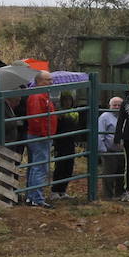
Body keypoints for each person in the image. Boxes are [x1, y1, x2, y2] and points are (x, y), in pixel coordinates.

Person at [23, 70, 57, 208]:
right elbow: (36, 119)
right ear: (39, 82)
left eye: (51, 79)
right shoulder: (38, 96)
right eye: (47, 80)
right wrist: (45, 133)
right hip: (40, 136)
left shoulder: (44, 95)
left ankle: (32, 197)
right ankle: (37, 198)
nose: (51, 82)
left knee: (37, 166)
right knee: (40, 166)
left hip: (42, 134)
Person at [50, 94, 80, 200]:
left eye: (69, 100)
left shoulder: (75, 113)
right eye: (65, 100)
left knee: (69, 166)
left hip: (70, 142)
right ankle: (55, 190)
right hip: (60, 142)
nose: (68, 102)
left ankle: (63, 190)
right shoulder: (59, 113)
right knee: (60, 166)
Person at [98, 96, 123, 200]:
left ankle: (120, 195)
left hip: (123, 150)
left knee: (122, 174)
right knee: (109, 174)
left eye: (119, 105)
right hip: (110, 150)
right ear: (110, 106)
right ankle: (108, 197)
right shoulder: (104, 117)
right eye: (114, 105)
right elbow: (99, 135)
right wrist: (104, 150)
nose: (117, 107)